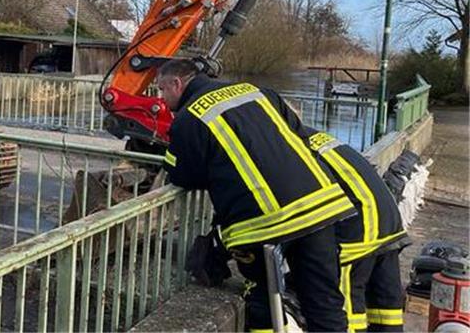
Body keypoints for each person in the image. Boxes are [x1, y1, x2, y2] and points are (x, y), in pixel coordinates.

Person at [157, 58, 354, 332]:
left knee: (262, 300)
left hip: (264, 223)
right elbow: (299, 135)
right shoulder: (257, 92)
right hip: (322, 205)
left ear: (177, 84)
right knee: (325, 301)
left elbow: (182, 175)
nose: (162, 99)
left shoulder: (190, 119)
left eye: (162, 91)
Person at [302, 130, 409, 332]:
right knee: (386, 306)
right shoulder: (316, 137)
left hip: (358, 225)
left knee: (345, 307)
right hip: (385, 215)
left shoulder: (287, 147)